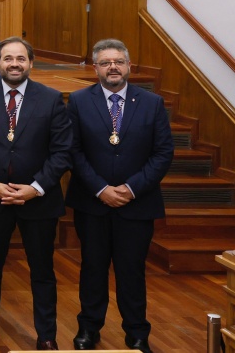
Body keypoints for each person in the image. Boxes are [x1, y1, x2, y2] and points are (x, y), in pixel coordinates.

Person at [0, 37, 72, 353]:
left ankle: (46, 335)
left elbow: (62, 151)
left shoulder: (51, 99)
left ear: (30, 63)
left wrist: (35, 188)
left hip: (39, 200)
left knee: (42, 271)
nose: (14, 64)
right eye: (8, 58)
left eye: (21, 58)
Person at [67, 39, 173, 353]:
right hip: (92, 202)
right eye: (105, 62)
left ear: (128, 66)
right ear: (96, 68)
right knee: (92, 268)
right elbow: (72, 150)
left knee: (132, 270)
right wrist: (101, 189)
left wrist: (130, 188)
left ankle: (137, 332)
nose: (112, 67)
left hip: (137, 203)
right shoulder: (78, 101)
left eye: (118, 62)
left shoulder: (152, 103)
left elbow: (163, 153)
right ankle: (88, 328)